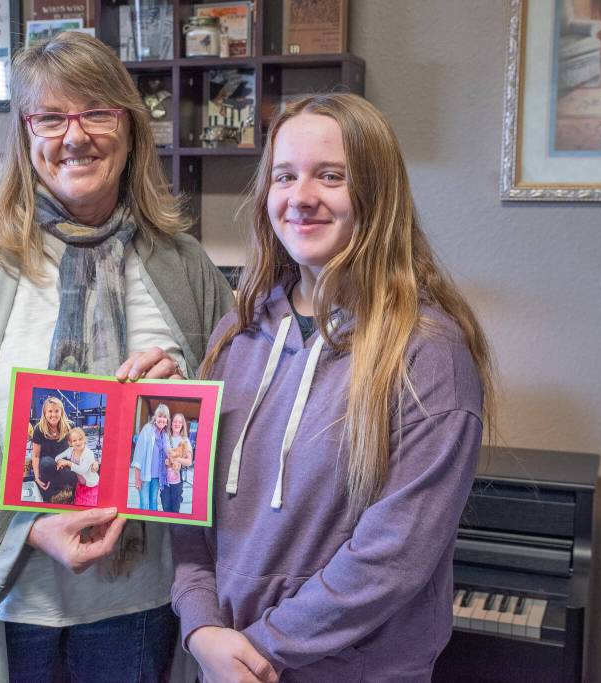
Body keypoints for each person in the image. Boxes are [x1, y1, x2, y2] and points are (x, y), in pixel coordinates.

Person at [0, 32, 234, 683]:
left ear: (129, 125)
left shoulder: (186, 266)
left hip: (145, 614)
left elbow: (233, 448)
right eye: (51, 116)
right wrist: (28, 527)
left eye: (96, 110)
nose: (75, 135)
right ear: (25, 132)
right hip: (4, 613)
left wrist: (189, 398)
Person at [171, 93, 495, 682]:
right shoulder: (233, 337)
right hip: (223, 663)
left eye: (331, 176)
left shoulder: (428, 353)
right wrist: (200, 629)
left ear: (376, 192)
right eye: (284, 176)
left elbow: (391, 560)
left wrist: (258, 650)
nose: (302, 197)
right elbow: (189, 518)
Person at [31, 396, 76, 503]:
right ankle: (52, 493)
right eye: (50, 411)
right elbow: (36, 456)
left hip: (63, 462)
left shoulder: (70, 425)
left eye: (56, 411)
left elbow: (75, 450)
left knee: (71, 472)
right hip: (46, 463)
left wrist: (71, 464)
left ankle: (63, 493)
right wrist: (37, 477)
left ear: (61, 412)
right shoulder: (39, 429)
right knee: (48, 463)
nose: (53, 414)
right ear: (45, 413)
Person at [130, 403, 170, 510]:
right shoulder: (147, 430)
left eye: (164, 417)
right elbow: (139, 454)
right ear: (155, 417)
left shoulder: (165, 436)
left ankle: (152, 525)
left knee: (153, 503)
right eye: (160, 416)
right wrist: (137, 478)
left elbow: (169, 454)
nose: (162, 419)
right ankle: (143, 525)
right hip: (144, 476)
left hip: (157, 477)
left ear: (167, 420)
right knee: (144, 504)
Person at [56, 426, 100, 506]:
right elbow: (57, 457)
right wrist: (60, 462)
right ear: (70, 443)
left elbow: (82, 470)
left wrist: (68, 463)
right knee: (79, 505)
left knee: (90, 506)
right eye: (74, 440)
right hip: (80, 484)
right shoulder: (71, 450)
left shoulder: (88, 453)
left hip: (91, 484)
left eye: (80, 439)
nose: (78, 442)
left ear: (84, 439)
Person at [161, 413, 193, 513]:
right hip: (165, 479)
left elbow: (189, 462)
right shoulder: (165, 437)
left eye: (180, 422)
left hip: (178, 480)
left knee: (175, 507)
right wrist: (165, 461)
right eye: (175, 421)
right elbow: (160, 456)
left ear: (182, 425)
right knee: (165, 505)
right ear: (171, 424)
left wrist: (176, 459)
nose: (177, 424)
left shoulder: (185, 440)